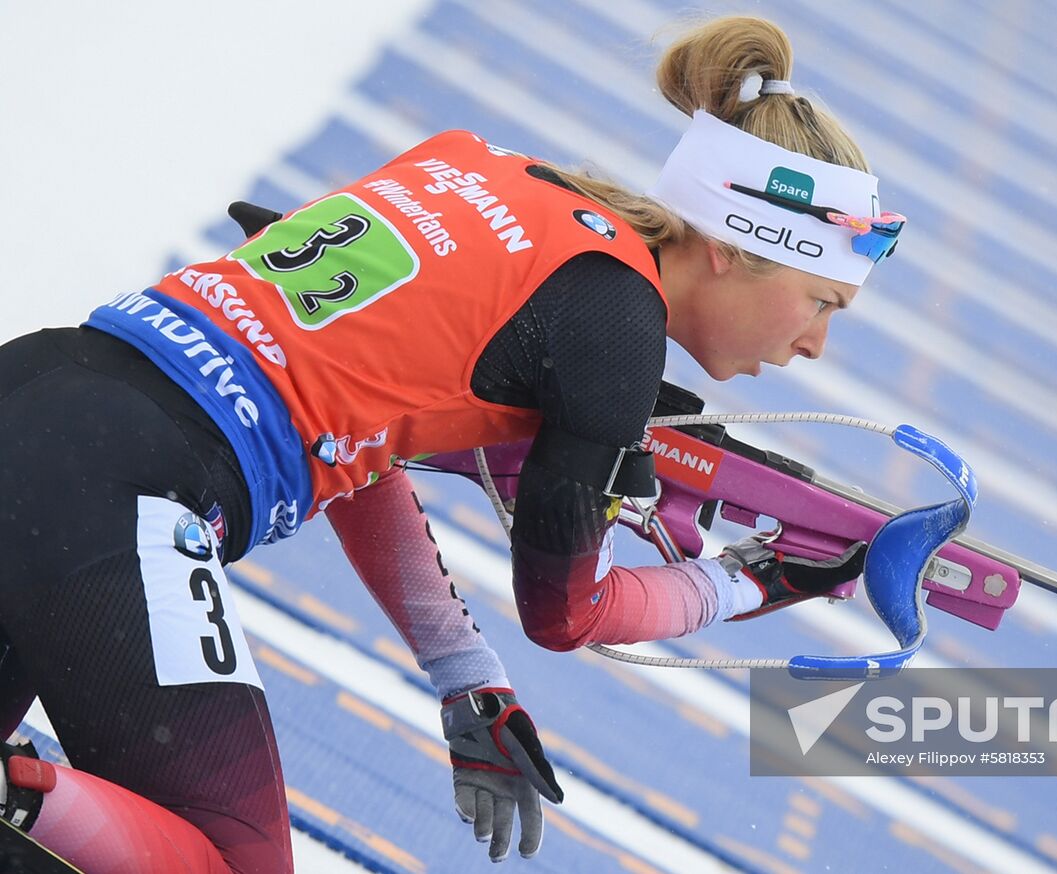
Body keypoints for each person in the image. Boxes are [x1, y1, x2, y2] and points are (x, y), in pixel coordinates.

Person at [0, 14, 901, 872]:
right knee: (234, 860)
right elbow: (568, 615)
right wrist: (744, 581)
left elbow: (353, 442)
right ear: (736, 248)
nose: (815, 344)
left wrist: (465, 672)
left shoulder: (496, 171)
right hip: (116, 494)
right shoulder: (617, 326)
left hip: (40, 388)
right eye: (823, 302)